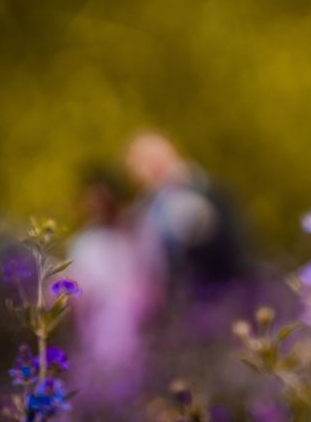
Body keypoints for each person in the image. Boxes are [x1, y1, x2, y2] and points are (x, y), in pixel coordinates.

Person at [68, 166, 161, 420]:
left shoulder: (138, 235)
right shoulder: (84, 241)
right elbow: (79, 289)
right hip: (96, 330)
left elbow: (154, 283)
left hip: (136, 332)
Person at [125, 131, 247, 303]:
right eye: (142, 161)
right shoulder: (147, 209)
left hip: (217, 294)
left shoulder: (205, 191)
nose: (151, 166)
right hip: (176, 303)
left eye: (155, 157)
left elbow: (230, 247)